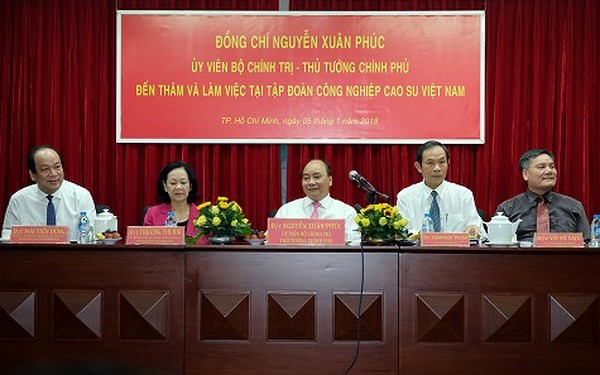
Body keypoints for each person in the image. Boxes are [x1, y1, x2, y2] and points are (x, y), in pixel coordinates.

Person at [2, 145, 97, 241]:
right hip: (31, 255)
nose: (53, 174)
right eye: (45, 169)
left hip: (72, 255)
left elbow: (91, 236)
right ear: (32, 175)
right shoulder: (19, 200)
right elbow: (8, 239)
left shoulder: (81, 196)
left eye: (57, 167)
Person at [495, 149, 590, 242]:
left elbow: (587, 246)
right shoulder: (507, 209)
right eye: (541, 167)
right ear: (525, 174)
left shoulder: (574, 206)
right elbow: (498, 248)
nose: (549, 171)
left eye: (552, 167)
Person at [396, 140, 481, 236]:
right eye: (430, 163)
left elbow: (476, 228)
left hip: (455, 250)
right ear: (418, 167)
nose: (437, 168)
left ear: (448, 164)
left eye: (442, 162)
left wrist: (474, 229)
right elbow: (401, 233)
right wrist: (422, 236)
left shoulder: (463, 195)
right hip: (418, 250)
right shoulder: (405, 197)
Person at [275, 159, 360, 244]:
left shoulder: (347, 213)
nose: (311, 182)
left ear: (330, 180)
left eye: (317, 177)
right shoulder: (286, 211)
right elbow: (272, 243)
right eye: (306, 178)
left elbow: (355, 245)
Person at [143, 161, 208, 243]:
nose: (178, 187)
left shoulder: (204, 216)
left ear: (190, 186)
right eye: (173, 183)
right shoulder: (152, 214)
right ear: (165, 186)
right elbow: (145, 247)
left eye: (183, 182)